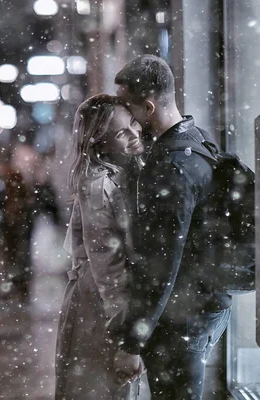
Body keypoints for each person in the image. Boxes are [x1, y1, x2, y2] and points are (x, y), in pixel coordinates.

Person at [112, 55, 232, 399]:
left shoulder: (171, 168)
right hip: (204, 304)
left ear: (147, 107)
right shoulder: (197, 138)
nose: (123, 115)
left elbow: (160, 264)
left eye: (126, 106)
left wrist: (132, 343)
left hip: (182, 317)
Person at [55, 94, 147, 399]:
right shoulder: (98, 185)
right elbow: (108, 267)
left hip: (102, 302)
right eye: (122, 132)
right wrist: (126, 340)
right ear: (99, 142)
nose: (134, 135)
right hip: (98, 305)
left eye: (134, 124)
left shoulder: (123, 172)